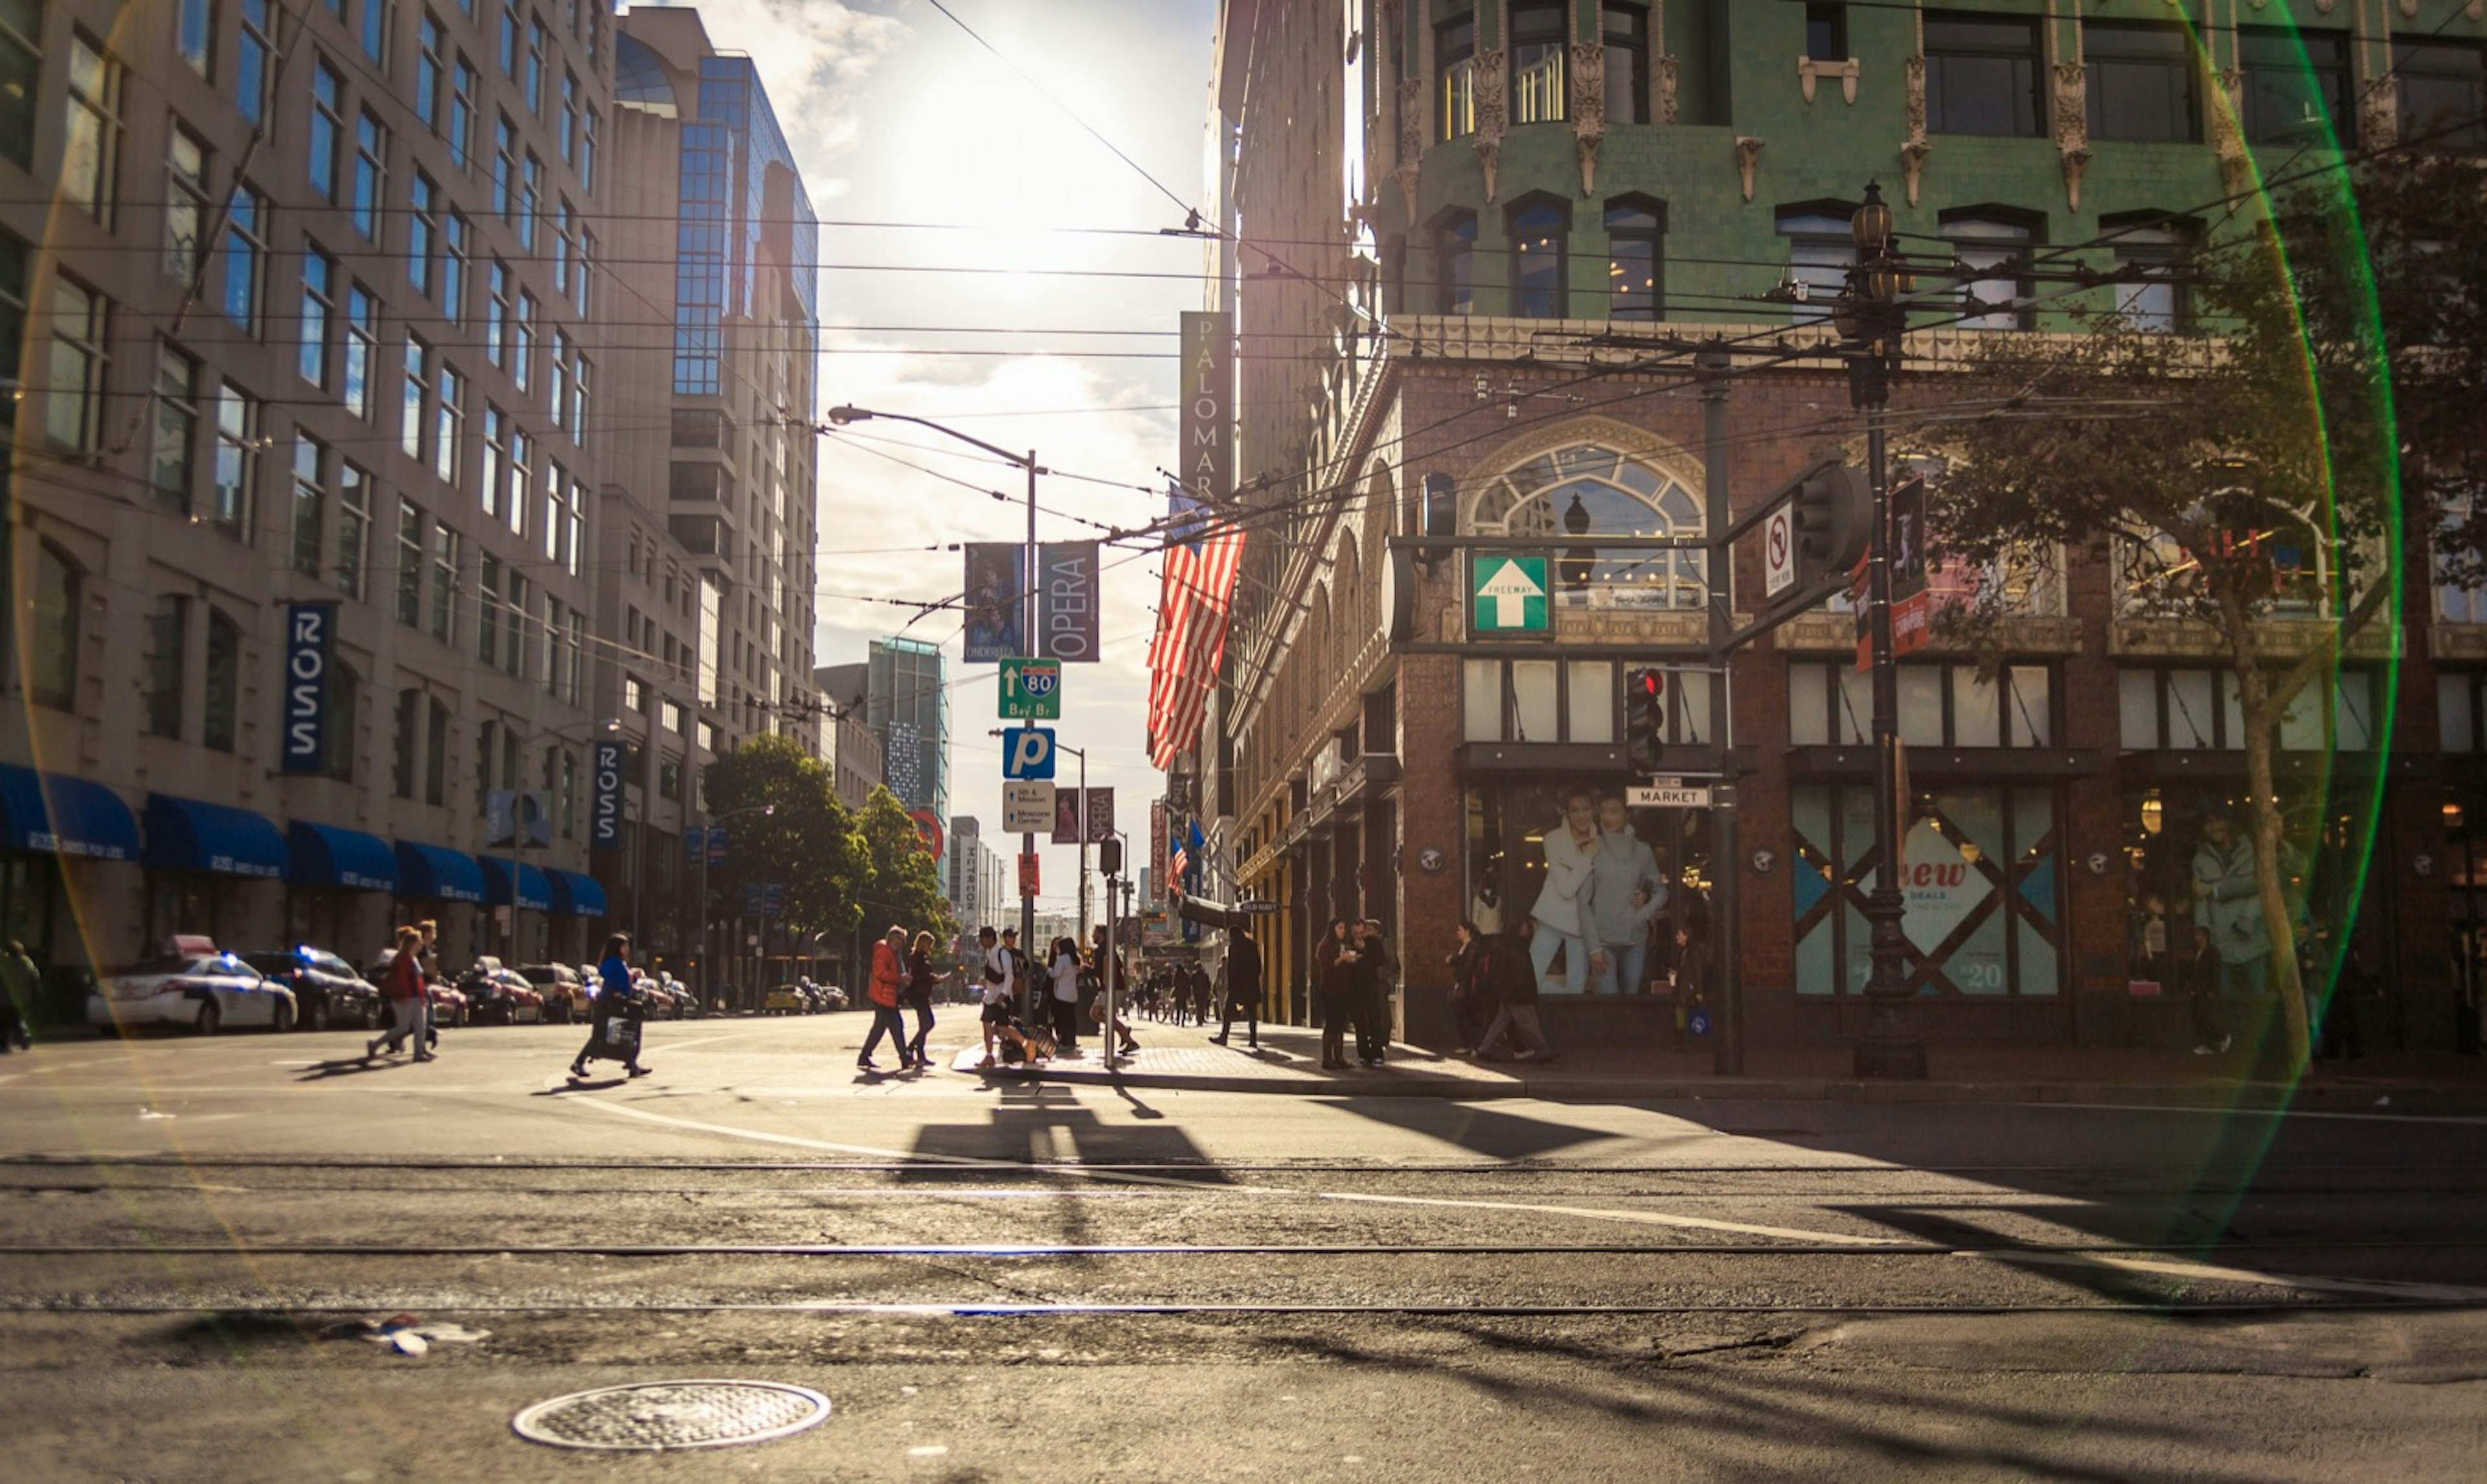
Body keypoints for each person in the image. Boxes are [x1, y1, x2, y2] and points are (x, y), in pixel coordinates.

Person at [1587, 797, 1667, 995]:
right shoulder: (1593, 848)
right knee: (1609, 1004)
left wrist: (1643, 913)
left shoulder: (1642, 851)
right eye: (1604, 811)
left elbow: (1661, 892)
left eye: (1615, 811)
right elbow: (1582, 900)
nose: (1608, 817)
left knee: (1631, 1000)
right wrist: (1592, 946)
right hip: (1602, 941)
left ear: (1627, 815)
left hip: (1635, 939)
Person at [1529, 790, 1602, 996]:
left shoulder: (1602, 842)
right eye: (1575, 810)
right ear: (1566, 814)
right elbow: (1567, 889)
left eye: (1586, 809)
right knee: (1530, 981)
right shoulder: (1553, 840)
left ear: (1594, 811)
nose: (1581, 816)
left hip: (1582, 925)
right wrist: (1587, 856)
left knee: (1577, 990)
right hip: (1552, 918)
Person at [571, 932, 650, 1079]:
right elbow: (608, 974)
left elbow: (623, 979)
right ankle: (578, 1062)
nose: (627, 949)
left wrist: (633, 976)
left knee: (628, 1030)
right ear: (617, 948)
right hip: (608, 1002)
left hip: (618, 1001)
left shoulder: (620, 963)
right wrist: (617, 990)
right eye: (625, 946)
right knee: (601, 1035)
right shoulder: (613, 962)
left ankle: (632, 1064)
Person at [1475, 925, 1554, 1063]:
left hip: (1508, 994)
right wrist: (1526, 993)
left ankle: (1484, 1048)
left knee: (1500, 1022)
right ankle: (1543, 1050)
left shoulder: (1505, 948)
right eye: (1524, 927)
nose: (1528, 930)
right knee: (1529, 1023)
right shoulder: (1517, 949)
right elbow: (1523, 974)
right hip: (1517, 994)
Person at [367, 925, 432, 1061]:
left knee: (421, 1026)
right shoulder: (403, 958)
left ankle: (419, 1053)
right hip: (405, 998)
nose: (421, 944)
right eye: (419, 941)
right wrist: (405, 996)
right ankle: (375, 1044)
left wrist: (422, 996)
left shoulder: (413, 958)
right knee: (403, 1027)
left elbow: (418, 979)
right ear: (413, 943)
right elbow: (402, 979)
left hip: (417, 997)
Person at [859, 925, 913, 1070]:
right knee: (897, 1026)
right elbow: (880, 973)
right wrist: (900, 979)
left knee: (879, 1028)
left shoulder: (893, 953)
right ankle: (904, 1058)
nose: (900, 943)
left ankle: (864, 1056)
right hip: (883, 995)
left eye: (902, 940)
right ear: (891, 938)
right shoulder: (884, 951)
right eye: (898, 939)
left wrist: (902, 979)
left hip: (886, 995)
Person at [1315, 917, 1357, 1070]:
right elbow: (1327, 967)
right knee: (1332, 1024)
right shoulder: (1325, 946)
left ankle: (1339, 1058)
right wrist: (1342, 958)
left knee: (1341, 1024)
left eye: (1344, 928)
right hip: (1330, 990)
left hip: (1343, 990)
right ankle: (1327, 1059)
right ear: (1333, 929)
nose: (1343, 931)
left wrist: (1352, 959)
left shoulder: (1343, 945)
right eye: (1340, 928)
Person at [1211, 925, 1263, 1049]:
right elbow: (1258, 966)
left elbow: (1232, 968)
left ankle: (1224, 1037)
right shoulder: (1253, 945)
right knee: (1252, 1013)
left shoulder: (1234, 947)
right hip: (1251, 984)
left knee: (1228, 1011)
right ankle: (1253, 1039)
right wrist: (1254, 979)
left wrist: (1231, 986)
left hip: (1237, 985)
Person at [1446, 920, 1492, 1053]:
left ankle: (1475, 1045)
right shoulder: (1462, 946)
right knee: (1461, 1014)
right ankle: (1467, 1044)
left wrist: (1460, 979)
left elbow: (1469, 966)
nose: (1457, 933)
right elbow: (1461, 962)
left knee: (1472, 1015)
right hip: (1463, 985)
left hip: (1471, 986)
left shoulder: (1473, 946)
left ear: (1467, 931)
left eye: (1460, 930)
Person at [1352, 919, 1394, 1066]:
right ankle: (1364, 1054)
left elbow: (1381, 960)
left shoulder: (1374, 943)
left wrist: (1365, 950)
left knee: (1374, 1020)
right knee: (1360, 1022)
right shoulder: (1351, 944)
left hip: (1371, 986)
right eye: (1356, 933)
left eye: (1362, 932)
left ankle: (1377, 1054)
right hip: (1356, 989)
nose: (1360, 936)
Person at [2186, 923, 2230, 1056]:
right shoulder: (2198, 952)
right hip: (2197, 990)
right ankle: (2209, 1043)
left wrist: (2212, 989)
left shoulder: (2212, 951)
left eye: (2200, 935)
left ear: (2206, 937)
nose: (2197, 938)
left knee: (2205, 1017)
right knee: (2198, 1017)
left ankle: (2220, 1037)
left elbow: (2215, 971)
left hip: (2205, 990)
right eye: (2196, 935)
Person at [903, 930, 938, 1067]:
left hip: (922, 994)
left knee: (925, 1024)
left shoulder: (922, 958)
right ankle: (911, 1047)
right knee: (928, 1023)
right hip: (916, 994)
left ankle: (920, 1054)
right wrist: (930, 977)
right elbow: (913, 978)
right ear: (923, 944)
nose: (931, 948)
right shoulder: (914, 958)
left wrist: (934, 979)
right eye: (929, 945)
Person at [0, 939, 40, 1052]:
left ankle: (6, 1043)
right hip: (23, 998)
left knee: (6, 1022)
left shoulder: (5, 962)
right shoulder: (27, 963)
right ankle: (24, 1039)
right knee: (17, 1019)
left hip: (5, 999)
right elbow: (35, 979)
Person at [1049, 936, 1084, 1054]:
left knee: (1062, 1018)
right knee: (1071, 1018)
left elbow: (1056, 974)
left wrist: (1049, 970)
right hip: (1072, 993)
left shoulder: (1062, 959)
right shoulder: (1075, 959)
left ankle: (1063, 1041)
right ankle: (1071, 1040)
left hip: (1061, 993)